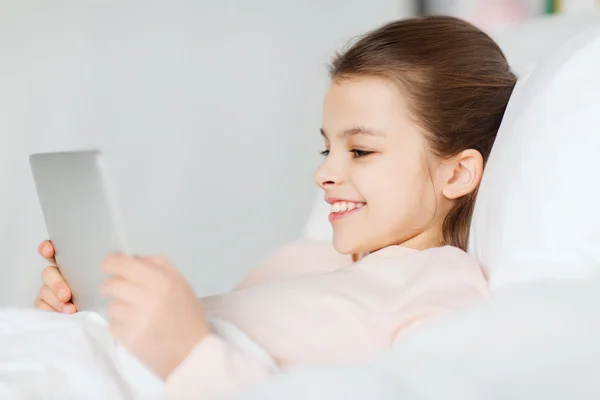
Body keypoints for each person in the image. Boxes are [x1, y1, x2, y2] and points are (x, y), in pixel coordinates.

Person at [33, 16, 517, 398]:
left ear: (456, 173)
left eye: (361, 150)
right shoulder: (298, 259)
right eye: (326, 149)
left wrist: (188, 354)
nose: (323, 174)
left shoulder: (441, 286)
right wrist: (85, 322)